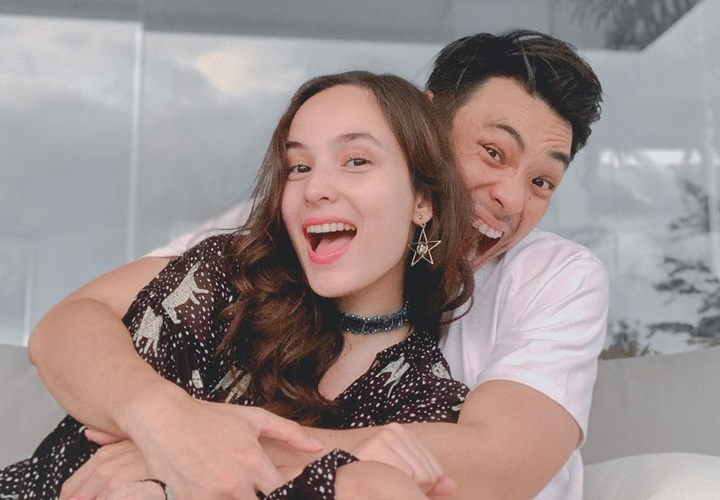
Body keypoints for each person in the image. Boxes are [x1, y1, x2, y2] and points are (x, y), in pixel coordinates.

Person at [27, 30, 607, 499]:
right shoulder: (283, 231)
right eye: (493, 152)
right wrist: (161, 420)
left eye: (542, 182)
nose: (511, 197)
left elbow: (495, 467)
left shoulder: (551, 280)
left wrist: (200, 447)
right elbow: (74, 322)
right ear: (424, 128)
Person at [0, 71, 476, 499]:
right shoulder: (233, 274)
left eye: (355, 161)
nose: (315, 189)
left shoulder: (423, 398)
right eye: (299, 167)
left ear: (423, 200)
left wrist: (172, 467)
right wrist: (164, 421)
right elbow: (60, 330)